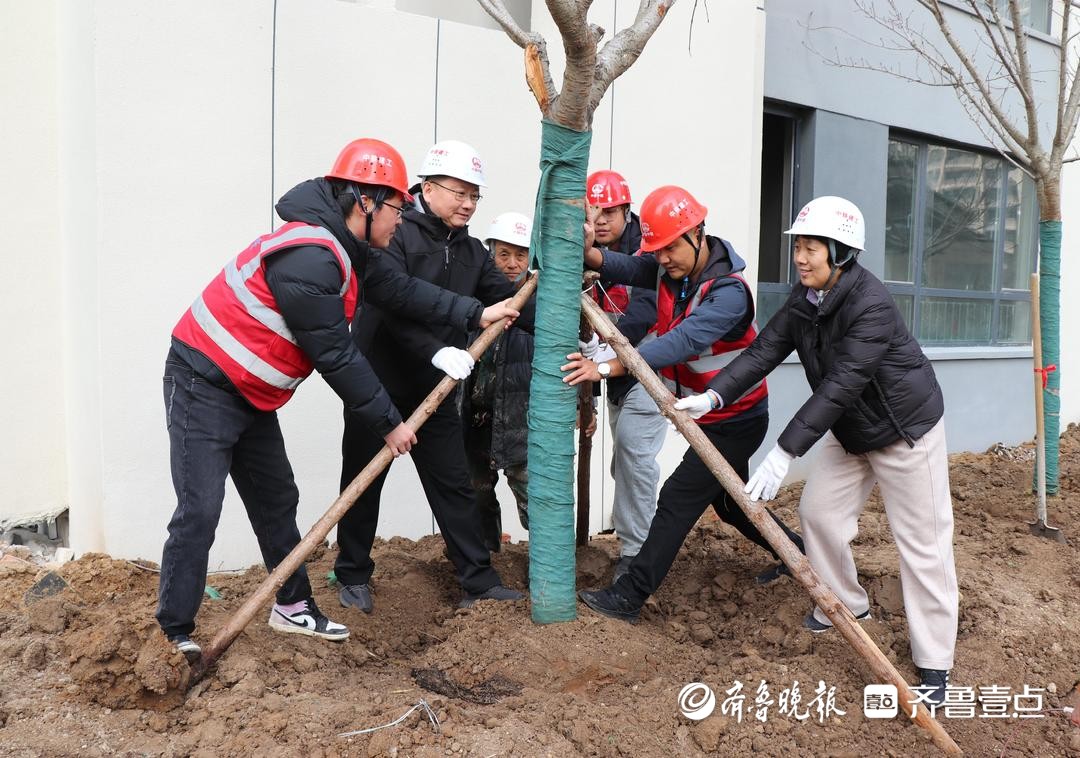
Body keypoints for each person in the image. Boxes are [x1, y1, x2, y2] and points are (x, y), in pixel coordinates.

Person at [159, 138, 517, 662]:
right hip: (203, 384)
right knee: (200, 510)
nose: (402, 217)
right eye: (396, 206)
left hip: (252, 394)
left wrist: (473, 315)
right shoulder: (308, 257)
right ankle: (175, 631)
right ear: (363, 201)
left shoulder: (352, 250)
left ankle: (293, 606)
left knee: (277, 500)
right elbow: (336, 354)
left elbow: (401, 293)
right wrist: (390, 422)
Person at [679, 196, 958, 704]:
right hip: (850, 429)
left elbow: (843, 383)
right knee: (819, 514)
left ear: (842, 253)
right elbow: (766, 348)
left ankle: (936, 666)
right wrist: (714, 394)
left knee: (923, 544)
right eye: (798, 248)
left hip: (903, 430)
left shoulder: (870, 304)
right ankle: (849, 604)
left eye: (811, 249)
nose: (801, 258)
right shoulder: (807, 296)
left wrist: (784, 451)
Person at [562, 185, 804, 624]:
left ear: (698, 234)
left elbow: (684, 340)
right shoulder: (668, 270)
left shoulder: (729, 292)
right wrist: (591, 255)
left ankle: (630, 595)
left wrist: (613, 365)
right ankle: (799, 553)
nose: (663, 258)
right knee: (731, 505)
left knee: (676, 497)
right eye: (657, 250)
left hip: (737, 417)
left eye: (671, 247)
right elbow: (630, 265)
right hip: (707, 413)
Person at [336, 140, 531, 612]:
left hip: (437, 386)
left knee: (453, 482)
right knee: (364, 480)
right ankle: (353, 575)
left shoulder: (468, 250)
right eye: (459, 192)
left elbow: (506, 300)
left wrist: (567, 321)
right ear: (427, 186)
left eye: (475, 195)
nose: (468, 203)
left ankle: (477, 581)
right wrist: (437, 349)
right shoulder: (395, 233)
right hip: (378, 382)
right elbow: (392, 303)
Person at [585, 170, 666, 582]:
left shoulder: (648, 247)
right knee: (624, 463)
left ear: (626, 210)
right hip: (613, 373)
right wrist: (594, 394)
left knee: (634, 452)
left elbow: (645, 309)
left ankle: (638, 555)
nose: (600, 219)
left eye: (609, 211)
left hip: (650, 369)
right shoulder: (584, 250)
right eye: (593, 210)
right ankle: (637, 538)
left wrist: (610, 348)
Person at [462, 212, 535, 551]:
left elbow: (576, 357)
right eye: (503, 254)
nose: (511, 263)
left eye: (520, 255)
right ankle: (486, 558)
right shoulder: (475, 301)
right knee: (476, 492)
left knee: (534, 496)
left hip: (525, 423)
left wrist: (587, 407)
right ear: (490, 253)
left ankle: (546, 569)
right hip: (479, 417)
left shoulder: (543, 304)